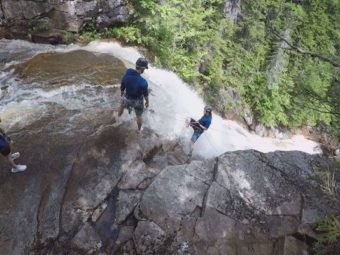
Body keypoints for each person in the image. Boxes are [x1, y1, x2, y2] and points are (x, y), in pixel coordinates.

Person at [117, 57, 149, 132]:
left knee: (121, 106)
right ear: (142, 68)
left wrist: (122, 91)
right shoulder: (143, 82)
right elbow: (145, 95)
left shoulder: (128, 72)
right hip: (137, 101)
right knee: (139, 116)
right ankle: (139, 129)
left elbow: (123, 82)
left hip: (126, 97)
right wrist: (147, 102)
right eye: (145, 68)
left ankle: (118, 118)